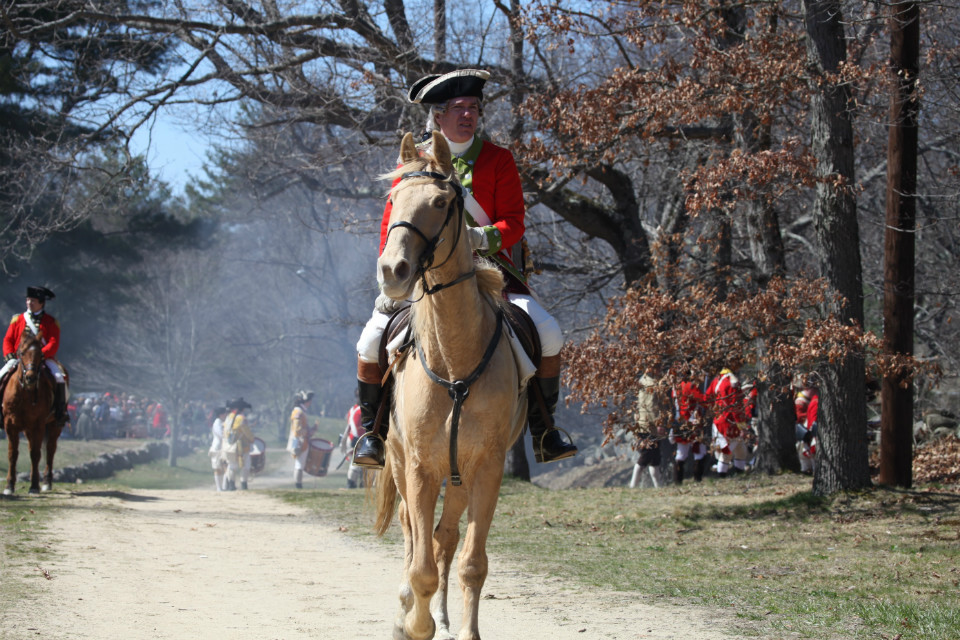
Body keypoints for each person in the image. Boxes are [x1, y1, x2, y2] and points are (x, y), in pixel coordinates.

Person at [352, 68, 578, 469]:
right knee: (370, 343)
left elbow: (514, 222)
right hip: (426, 277)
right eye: (459, 108)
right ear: (438, 116)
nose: (468, 115)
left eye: (473, 108)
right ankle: (374, 433)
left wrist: (479, 239)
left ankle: (544, 428)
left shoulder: (498, 160)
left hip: (493, 272)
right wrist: (391, 266)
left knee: (549, 332)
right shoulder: (414, 163)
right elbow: (393, 225)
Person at [0, 286, 68, 422]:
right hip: (19, 359)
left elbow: (53, 343)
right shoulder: (18, 319)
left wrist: (39, 355)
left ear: (41, 303)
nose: (29, 303)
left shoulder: (50, 322)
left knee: (60, 377)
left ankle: (60, 411)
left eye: (33, 301)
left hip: (43, 358)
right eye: (28, 300)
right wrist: (9, 354)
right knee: (1, 376)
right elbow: (8, 339)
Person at [706, 366, 749, 477]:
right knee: (726, 452)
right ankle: (722, 478)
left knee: (741, 451)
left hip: (718, 420)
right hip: (729, 422)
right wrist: (742, 426)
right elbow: (736, 405)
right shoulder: (732, 381)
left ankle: (739, 475)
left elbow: (707, 397)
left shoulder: (717, 380)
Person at [629, 370, 667, 489]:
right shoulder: (653, 384)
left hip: (642, 423)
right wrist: (658, 423)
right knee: (645, 458)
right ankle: (633, 486)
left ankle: (658, 486)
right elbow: (651, 406)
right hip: (649, 426)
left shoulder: (642, 380)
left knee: (654, 459)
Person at [669, 373, 709, 484]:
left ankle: (678, 481)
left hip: (679, 422)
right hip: (692, 423)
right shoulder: (690, 386)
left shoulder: (676, 386)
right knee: (699, 452)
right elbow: (703, 401)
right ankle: (697, 480)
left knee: (681, 454)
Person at [222, 397, 254, 490]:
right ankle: (243, 484)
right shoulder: (241, 418)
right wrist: (252, 439)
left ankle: (231, 485)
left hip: (229, 445)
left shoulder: (228, 417)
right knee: (245, 466)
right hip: (242, 446)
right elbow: (246, 431)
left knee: (232, 465)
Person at [287, 390, 314, 489]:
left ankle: (298, 484)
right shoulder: (298, 412)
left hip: (300, 441)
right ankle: (298, 485)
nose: (310, 403)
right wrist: (308, 431)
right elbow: (298, 430)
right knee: (299, 464)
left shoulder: (299, 411)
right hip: (299, 441)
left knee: (300, 464)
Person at [339, 395, 365, 489]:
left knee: (358, 463)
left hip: (353, 439)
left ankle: (354, 483)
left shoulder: (352, 409)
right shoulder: (360, 411)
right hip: (357, 440)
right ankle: (351, 483)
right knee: (356, 463)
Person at [796, 385, 819, 474]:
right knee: (809, 452)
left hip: (808, 428)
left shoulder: (812, 400)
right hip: (807, 429)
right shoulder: (812, 401)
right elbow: (812, 419)